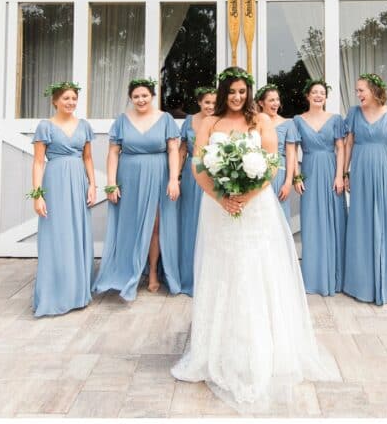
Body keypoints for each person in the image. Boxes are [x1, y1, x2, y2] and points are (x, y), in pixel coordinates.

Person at [171, 67, 339, 412]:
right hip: (217, 207)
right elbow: (199, 167)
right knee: (223, 271)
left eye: (242, 91)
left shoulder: (261, 121)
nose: (237, 97)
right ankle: (218, 348)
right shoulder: (209, 122)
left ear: (249, 93)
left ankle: (263, 348)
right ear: (222, 92)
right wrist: (221, 197)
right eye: (231, 91)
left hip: (256, 207)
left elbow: (271, 165)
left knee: (255, 270)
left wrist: (245, 197)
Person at [93, 78, 182, 299]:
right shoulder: (122, 121)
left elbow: (173, 150)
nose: (141, 100)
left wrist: (173, 179)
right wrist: (111, 183)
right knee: (129, 225)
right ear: (131, 99)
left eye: (144, 95)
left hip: (158, 175)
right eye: (136, 96)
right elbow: (113, 152)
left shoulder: (165, 119)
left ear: (152, 96)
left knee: (155, 226)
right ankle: (127, 269)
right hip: (129, 176)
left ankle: (152, 272)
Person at [342, 73, 387, 305]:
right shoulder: (353, 114)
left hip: (384, 173)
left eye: (361, 90)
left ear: (373, 90)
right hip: (360, 172)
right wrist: (345, 173)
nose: (358, 94)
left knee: (386, 224)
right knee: (360, 223)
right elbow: (349, 144)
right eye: (357, 91)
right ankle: (360, 285)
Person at [29, 82, 95, 316]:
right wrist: (38, 195)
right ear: (55, 100)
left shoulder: (84, 126)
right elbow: (38, 162)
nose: (70, 103)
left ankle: (77, 291)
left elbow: (87, 158)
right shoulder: (45, 126)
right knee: (57, 234)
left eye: (74, 99)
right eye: (66, 98)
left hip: (78, 182)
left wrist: (92, 185)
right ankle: (54, 293)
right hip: (55, 182)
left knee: (77, 232)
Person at [292, 79, 347, 296]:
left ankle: (335, 275)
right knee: (312, 221)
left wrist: (340, 176)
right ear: (307, 96)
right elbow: (292, 150)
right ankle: (314, 277)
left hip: (331, 171)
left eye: (322, 93)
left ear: (326, 97)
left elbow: (341, 148)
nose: (318, 95)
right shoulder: (298, 120)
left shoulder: (335, 119)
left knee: (334, 221)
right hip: (310, 170)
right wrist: (296, 177)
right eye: (314, 92)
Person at [177, 85, 217, 296]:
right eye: (207, 102)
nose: (210, 106)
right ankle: (190, 276)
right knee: (191, 223)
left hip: (214, 176)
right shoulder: (189, 121)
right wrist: (175, 176)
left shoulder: (221, 120)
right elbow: (182, 149)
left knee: (212, 224)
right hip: (191, 176)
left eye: (213, 102)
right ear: (199, 102)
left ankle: (211, 279)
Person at [255, 84, 300, 223]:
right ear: (261, 103)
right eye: (271, 100)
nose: (276, 104)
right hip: (256, 171)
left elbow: (291, 154)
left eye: (277, 99)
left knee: (279, 216)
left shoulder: (287, 124)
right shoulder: (253, 122)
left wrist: (288, 182)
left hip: (279, 174)